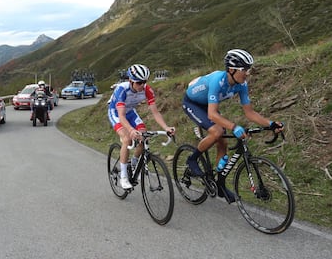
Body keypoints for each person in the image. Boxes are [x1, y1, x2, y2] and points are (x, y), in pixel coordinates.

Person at [182, 49, 284, 203]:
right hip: (193, 103)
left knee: (223, 141)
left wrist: (270, 124)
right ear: (231, 69)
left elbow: (249, 113)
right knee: (217, 131)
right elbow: (212, 114)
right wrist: (235, 127)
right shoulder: (218, 80)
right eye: (244, 69)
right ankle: (192, 159)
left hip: (210, 105)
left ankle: (219, 184)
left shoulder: (241, 85)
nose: (248, 73)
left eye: (249, 69)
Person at [108, 64, 175, 189]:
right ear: (130, 81)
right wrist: (131, 130)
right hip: (116, 113)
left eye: (144, 82)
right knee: (127, 139)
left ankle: (134, 164)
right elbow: (121, 116)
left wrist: (166, 127)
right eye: (139, 83)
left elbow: (155, 112)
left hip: (131, 112)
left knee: (143, 136)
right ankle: (123, 176)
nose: (142, 85)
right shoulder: (122, 89)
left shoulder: (147, 90)